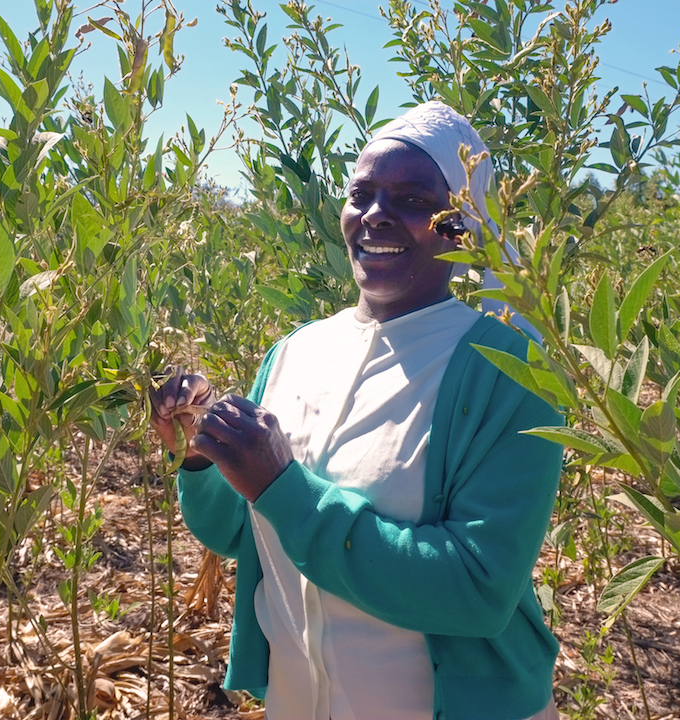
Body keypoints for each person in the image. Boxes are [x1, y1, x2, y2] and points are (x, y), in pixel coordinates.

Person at [150, 101, 563, 720]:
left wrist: (281, 485)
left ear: (463, 225)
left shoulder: (506, 369)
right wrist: (206, 455)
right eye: (361, 193)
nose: (375, 216)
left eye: (414, 200)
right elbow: (246, 532)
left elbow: (477, 589)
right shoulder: (296, 351)